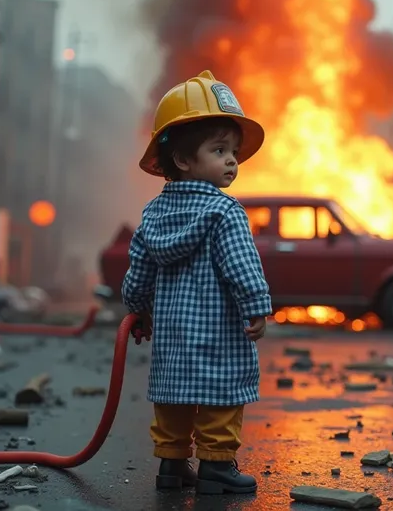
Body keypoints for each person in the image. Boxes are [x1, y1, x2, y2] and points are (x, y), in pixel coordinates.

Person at [122, 69, 272, 495]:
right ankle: (216, 468)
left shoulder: (152, 215)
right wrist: (257, 306)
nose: (232, 161)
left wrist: (138, 311)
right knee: (222, 398)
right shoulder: (225, 212)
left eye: (234, 152)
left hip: (173, 337)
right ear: (184, 160)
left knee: (172, 399)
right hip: (219, 335)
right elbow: (242, 266)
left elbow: (139, 273)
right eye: (220, 149)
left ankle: (171, 467)